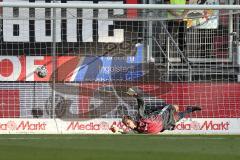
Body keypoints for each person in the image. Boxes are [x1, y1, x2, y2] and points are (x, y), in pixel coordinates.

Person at [110, 88, 201, 134]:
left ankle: (189, 109)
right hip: (163, 126)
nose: (127, 125)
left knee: (175, 111)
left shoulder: (142, 117)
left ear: (132, 120)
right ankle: (189, 109)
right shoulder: (137, 131)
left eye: (128, 123)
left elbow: (141, 102)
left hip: (161, 116)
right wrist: (118, 130)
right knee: (177, 118)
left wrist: (135, 95)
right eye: (126, 124)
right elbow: (126, 132)